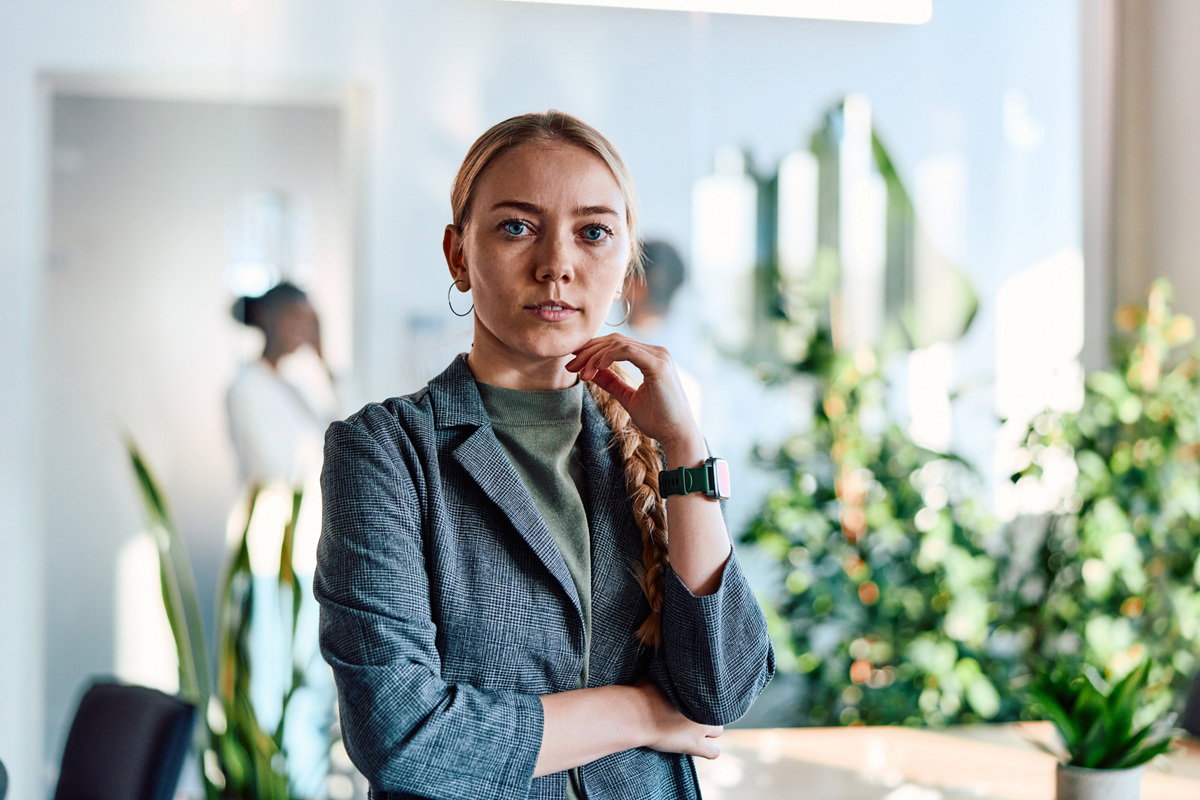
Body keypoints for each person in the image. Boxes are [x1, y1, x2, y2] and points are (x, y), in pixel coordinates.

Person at [314, 110, 774, 800]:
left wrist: (684, 447)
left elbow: (723, 690)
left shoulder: (651, 441)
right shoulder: (386, 451)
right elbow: (403, 738)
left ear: (626, 265)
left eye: (593, 232)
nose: (557, 264)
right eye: (516, 226)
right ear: (458, 255)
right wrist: (643, 711)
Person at [227, 281, 339, 489]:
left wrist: (323, 358)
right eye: (293, 317)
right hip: (270, 512)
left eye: (307, 321)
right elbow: (270, 469)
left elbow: (340, 432)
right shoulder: (245, 389)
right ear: (267, 317)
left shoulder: (299, 383)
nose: (301, 328)